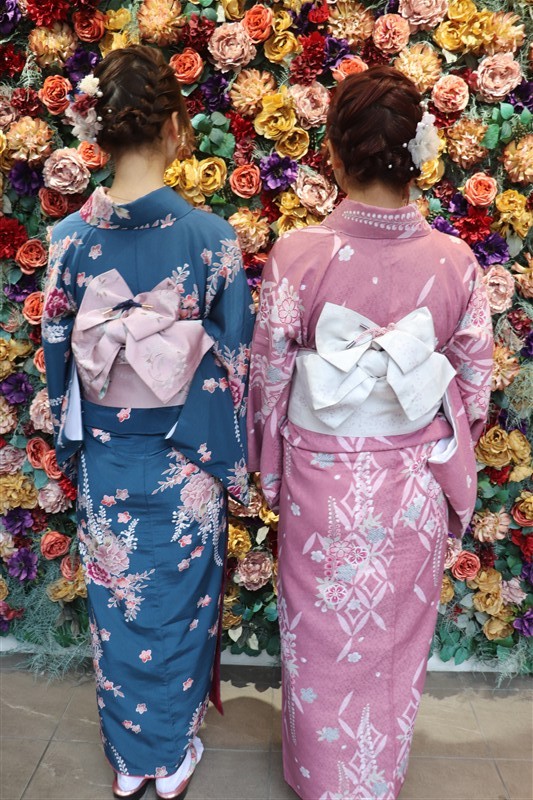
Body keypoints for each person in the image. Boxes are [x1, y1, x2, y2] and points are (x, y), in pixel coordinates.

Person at [247, 66, 493, 800]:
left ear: (333, 152)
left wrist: (270, 473)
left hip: (320, 482)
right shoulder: (454, 261)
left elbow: (268, 380)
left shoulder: (298, 254)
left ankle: (317, 776)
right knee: (392, 636)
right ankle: (373, 779)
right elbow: (473, 386)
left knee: (318, 631)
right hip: (411, 481)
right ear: (418, 153)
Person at [42, 45, 255, 800]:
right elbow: (234, 356)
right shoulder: (211, 238)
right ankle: (172, 755)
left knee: (118, 598)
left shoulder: (70, 240)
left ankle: (133, 759)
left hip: (108, 450)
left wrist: (81, 435)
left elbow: (59, 351)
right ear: (173, 128)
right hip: (185, 454)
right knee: (180, 602)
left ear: (97, 132)